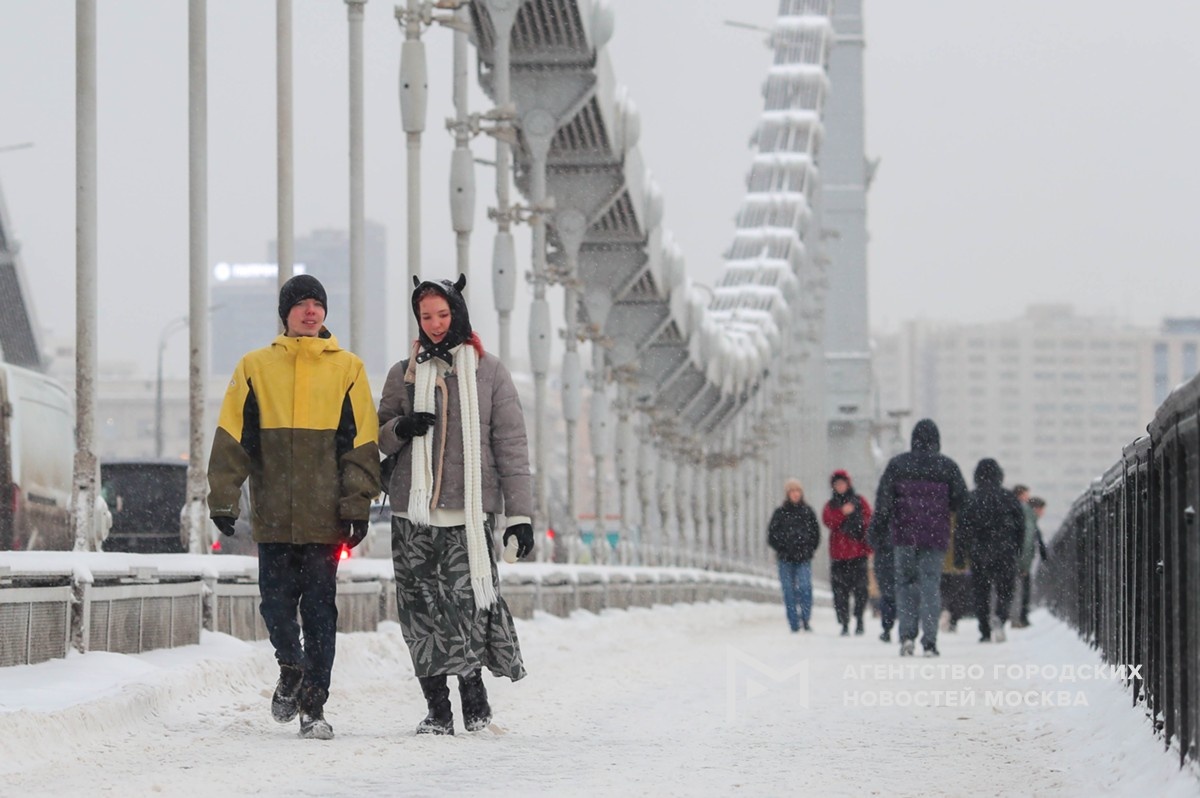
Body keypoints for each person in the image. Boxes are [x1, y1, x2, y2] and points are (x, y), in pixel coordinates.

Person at [207, 274, 381, 740]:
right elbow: (232, 437)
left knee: (321, 615)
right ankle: (290, 666)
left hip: (325, 519)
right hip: (274, 518)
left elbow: (361, 444)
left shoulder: (349, 369)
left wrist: (357, 504)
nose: (310, 311)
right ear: (285, 313)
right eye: (300, 304)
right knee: (276, 608)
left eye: (316, 304)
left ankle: (313, 707)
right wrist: (223, 497)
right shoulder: (254, 367)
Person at [378, 274, 533, 736]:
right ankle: (437, 709)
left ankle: (472, 689)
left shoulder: (489, 372)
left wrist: (519, 517)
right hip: (412, 514)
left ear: (458, 314)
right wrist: (402, 428)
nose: (435, 324)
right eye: (426, 316)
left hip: (467, 513)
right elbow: (378, 436)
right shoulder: (403, 373)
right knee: (420, 611)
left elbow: (511, 446)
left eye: (443, 314)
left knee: (467, 607)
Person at [869, 418, 968, 657]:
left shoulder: (898, 465)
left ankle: (907, 637)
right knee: (930, 585)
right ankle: (930, 641)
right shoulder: (948, 467)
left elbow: (883, 503)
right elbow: (962, 504)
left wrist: (877, 531)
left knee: (904, 584)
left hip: (904, 535)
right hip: (935, 536)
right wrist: (961, 542)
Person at [955, 458, 1026, 643]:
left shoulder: (970, 498)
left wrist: (960, 556)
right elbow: (1021, 527)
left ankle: (985, 630)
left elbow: (961, 530)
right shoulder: (1009, 497)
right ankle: (1000, 618)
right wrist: (1018, 549)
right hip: (1005, 551)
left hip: (979, 551)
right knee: (1005, 590)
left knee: (981, 592)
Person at [823, 469, 873, 636]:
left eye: (842, 483)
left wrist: (867, 544)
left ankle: (859, 619)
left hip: (858, 553)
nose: (840, 487)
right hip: (839, 555)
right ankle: (844, 621)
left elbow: (869, 521)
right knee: (840, 592)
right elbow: (828, 521)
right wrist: (842, 513)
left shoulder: (859, 501)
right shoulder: (831, 505)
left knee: (861, 590)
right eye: (837, 484)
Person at [767, 478, 821, 633]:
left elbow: (816, 534)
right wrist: (782, 547)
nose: (795, 494)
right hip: (785, 558)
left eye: (797, 491)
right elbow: (772, 535)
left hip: (803, 558)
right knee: (788, 590)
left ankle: (805, 617)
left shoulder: (808, 512)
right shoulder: (780, 513)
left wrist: (809, 549)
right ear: (787, 494)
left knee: (805, 587)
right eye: (792, 491)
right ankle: (793, 622)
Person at [1011, 490, 1049, 628]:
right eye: (1042, 509)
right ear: (1036, 509)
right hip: (1022, 562)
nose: (1043, 513)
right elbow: (1026, 543)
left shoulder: (1028, 519)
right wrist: (1024, 565)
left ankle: (1018, 617)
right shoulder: (1028, 520)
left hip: (1018, 560)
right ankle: (1020, 618)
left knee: (1016, 590)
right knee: (1021, 590)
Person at [940, 516, 971, 633]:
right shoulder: (962, 516)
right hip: (959, 562)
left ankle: (945, 609)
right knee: (958, 592)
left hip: (942, 561)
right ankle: (953, 618)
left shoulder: (941, 515)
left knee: (944, 590)